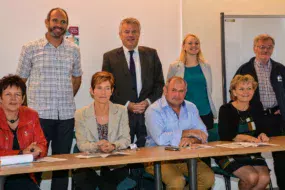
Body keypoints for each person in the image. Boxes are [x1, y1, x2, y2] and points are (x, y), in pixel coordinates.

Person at [16, 7, 83, 190]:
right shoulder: (30, 48)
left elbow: (77, 78)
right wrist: (26, 111)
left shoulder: (73, 50)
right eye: (55, 21)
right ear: (47, 22)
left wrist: (67, 96)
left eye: (63, 22)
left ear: (66, 26)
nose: (59, 25)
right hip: (38, 117)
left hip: (66, 117)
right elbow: (20, 82)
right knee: (36, 162)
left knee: (61, 166)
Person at [102, 17, 164, 147]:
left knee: (148, 155)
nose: (130, 35)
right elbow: (106, 89)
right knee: (121, 156)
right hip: (121, 115)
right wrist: (127, 104)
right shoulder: (109, 57)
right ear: (120, 35)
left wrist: (147, 102)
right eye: (127, 31)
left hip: (147, 114)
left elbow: (159, 84)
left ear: (139, 34)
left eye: (134, 31)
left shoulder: (152, 54)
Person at [144, 76, 214, 190]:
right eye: (174, 90)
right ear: (165, 90)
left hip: (185, 156)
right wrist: (188, 132)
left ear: (186, 92)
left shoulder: (191, 107)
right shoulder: (153, 110)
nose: (177, 95)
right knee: (177, 181)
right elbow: (160, 140)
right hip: (157, 159)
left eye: (181, 91)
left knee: (208, 178)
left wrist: (192, 140)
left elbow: (203, 134)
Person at [235, 34, 285, 189]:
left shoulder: (280, 69)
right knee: (252, 153)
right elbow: (237, 92)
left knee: (282, 157)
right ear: (255, 48)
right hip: (255, 119)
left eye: (269, 47)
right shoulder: (245, 69)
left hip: (277, 119)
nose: (265, 50)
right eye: (262, 47)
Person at [73, 71, 131, 190]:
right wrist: (97, 146)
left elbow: (126, 140)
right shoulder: (80, 114)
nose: (103, 93)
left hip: (115, 164)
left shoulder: (121, 111)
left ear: (112, 91)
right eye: (99, 88)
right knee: (84, 180)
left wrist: (113, 145)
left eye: (107, 88)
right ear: (92, 91)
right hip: (90, 164)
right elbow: (81, 144)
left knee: (107, 182)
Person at [216, 74, 270, 190]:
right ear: (234, 92)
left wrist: (263, 134)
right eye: (241, 89)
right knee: (252, 177)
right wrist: (248, 138)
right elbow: (226, 135)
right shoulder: (226, 110)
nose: (246, 92)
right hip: (230, 153)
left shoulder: (257, 106)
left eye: (249, 88)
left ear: (253, 91)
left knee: (265, 179)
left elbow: (262, 128)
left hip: (251, 152)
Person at [0, 75, 47, 190]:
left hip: (24, 173)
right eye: (8, 94)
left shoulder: (31, 115)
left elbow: (42, 144)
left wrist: (37, 150)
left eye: (17, 94)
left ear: (23, 98)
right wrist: (21, 153)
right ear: (0, 98)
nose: (13, 99)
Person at [167, 33, 216, 130]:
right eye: (190, 43)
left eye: (196, 43)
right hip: (183, 113)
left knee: (206, 143)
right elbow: (168, 91)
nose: (194, 46)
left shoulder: (206, 66)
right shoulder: (175, 67)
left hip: (205, 112)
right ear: (184, 46)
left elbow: (209, 89)